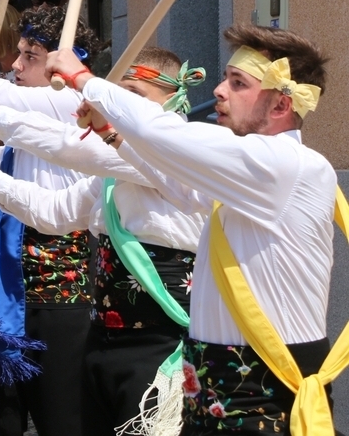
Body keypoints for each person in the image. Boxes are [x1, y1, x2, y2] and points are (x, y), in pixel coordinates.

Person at [46, 24, 340, 436]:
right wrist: (111, 133)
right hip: (217, 383)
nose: (219, 91)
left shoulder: (286, 165)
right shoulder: (249, 174)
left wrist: (85, 80)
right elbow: (180, 185)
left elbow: (165, 133)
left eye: (238, 83)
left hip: (267, 388)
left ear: (280, 105)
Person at [0, 47, 208, 435]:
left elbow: (70, 145)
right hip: (104, 342)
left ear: (173, 101)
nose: (123, 110)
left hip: (163, 345)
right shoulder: (112, 175)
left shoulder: (178, 152)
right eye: (121, 97)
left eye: (135, 97)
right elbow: (52, 213)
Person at [0, 5, 101, 436]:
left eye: (29, 55)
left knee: (61, 416)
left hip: (57, 284)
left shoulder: (68, 102)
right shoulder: (26, 121)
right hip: (0, 274)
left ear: (60, 67)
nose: (15, 64)